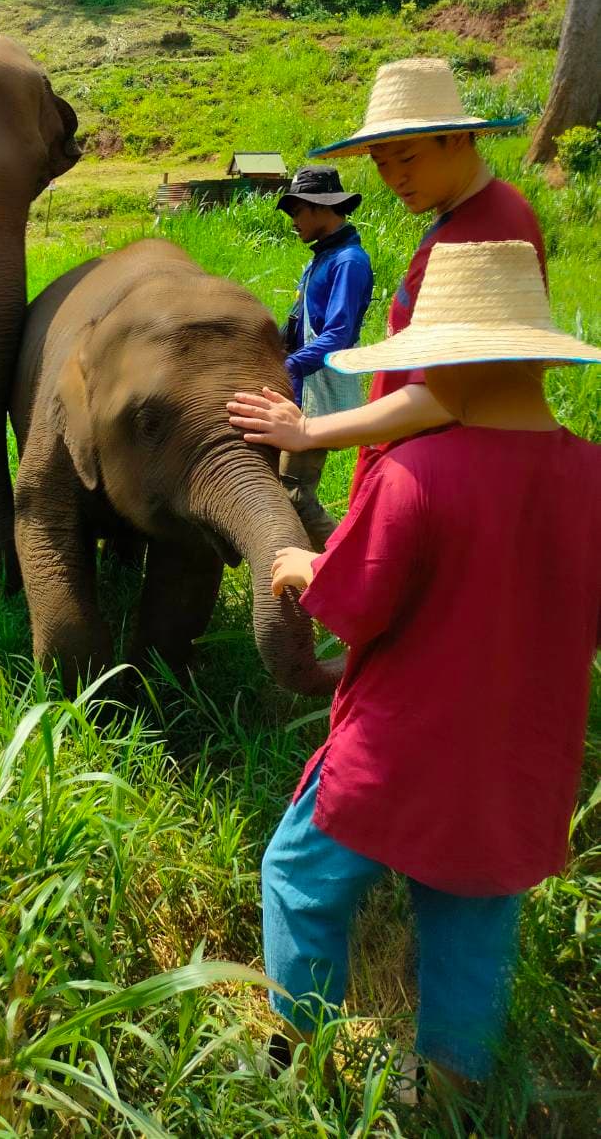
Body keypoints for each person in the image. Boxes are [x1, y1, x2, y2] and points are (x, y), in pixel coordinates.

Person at [260, 240, 601, 1098]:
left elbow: (354, 603)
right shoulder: (592, 475)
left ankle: (302, 1058)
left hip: (395, 751)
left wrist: (300, 569)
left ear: (452, 360)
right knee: (474, 910)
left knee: (299, 878)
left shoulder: (416, 473)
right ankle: (450, 1090)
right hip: (520, 757)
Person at [228, 58, 542, 496]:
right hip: (412, 460)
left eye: (408, 158)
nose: (395, 178)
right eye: (380, 163)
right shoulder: (455, 223)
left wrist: (307, 430)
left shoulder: (487, 230)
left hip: (442, 478)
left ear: (455, 138)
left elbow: (451, 394)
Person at [275, 166, 373, 548]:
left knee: (294, 496)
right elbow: (300, 324)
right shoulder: (322, 258)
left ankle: (347, 570)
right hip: (300, 384)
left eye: (297, 211)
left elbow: (338, 334)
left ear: (320, 208)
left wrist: (291, 364)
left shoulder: (348, 261)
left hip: (319, 386)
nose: (294, 221)